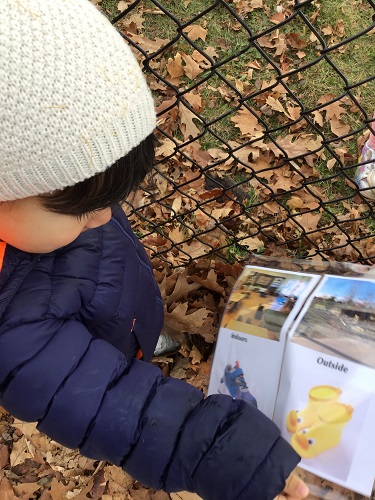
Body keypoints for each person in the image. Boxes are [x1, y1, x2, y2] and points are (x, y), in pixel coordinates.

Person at [0, 1, 309, 499]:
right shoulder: (12, 326)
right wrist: (239, 461)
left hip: (120, 303)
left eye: (113, 199)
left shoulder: (53, 211)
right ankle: (140, 347)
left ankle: (145, 338)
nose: (107, 217)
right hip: (98, 344)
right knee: (119, 364)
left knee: (137, 327)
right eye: (85, 208)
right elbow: (111, 403)